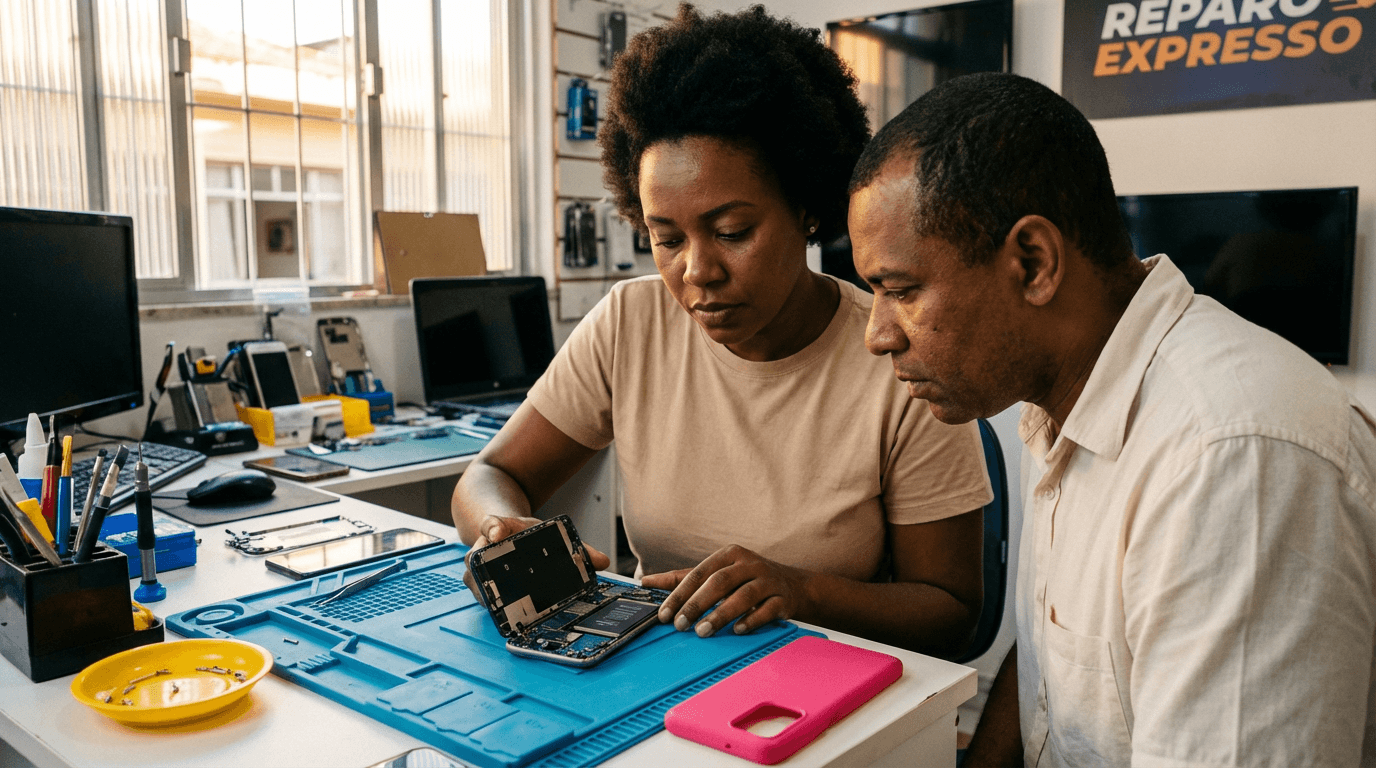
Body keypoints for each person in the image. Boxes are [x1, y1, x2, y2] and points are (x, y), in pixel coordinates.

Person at [847, 71, 1376, 765]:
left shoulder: (1232, 457)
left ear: (1033, 262)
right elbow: (1051, 672)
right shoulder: (1068, 400)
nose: (878, 334)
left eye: (902, 291)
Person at [452, 5, 993, 656]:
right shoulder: (632, 321)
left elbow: (952, 612)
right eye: (666, 238)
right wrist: (501, 531)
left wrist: (801, 592)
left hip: (829, 697)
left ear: (805, 208)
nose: (697, 271)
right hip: (657, 677)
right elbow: (492, 472)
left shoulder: (897, 355)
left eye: (732, 232)